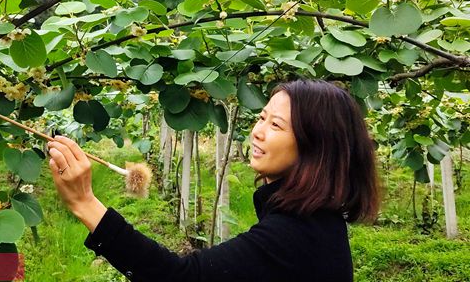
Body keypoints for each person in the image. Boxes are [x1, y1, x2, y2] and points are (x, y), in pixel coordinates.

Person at [47, 79, 380, 282]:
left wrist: (84, 202)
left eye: (276, 126)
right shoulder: (314, 221)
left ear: (315, 145)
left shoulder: (296, 234)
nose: (258, 132)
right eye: (261, 117)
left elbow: (181, 280)